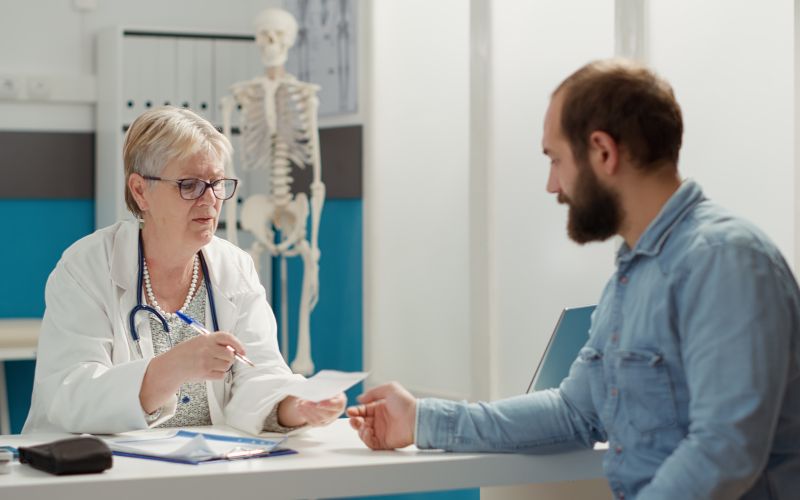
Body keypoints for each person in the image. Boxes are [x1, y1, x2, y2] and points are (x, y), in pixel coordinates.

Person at [347, 60, 800, 499]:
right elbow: (575, 411)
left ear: (603, 152)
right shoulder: (633, 273)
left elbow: (725, 451)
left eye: (555, 159)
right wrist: (422, 420)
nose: (552, 185)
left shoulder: (725, 260)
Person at [23, 106, 345, 435]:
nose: (209, 200)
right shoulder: (86, 267)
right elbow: (69, 395)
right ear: (140, 191)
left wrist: (294, 406)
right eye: (189, 185)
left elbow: (259, 374)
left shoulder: (234, 266)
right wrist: (172, 368)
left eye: (217, 183)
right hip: (97, 471)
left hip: (202, 470)